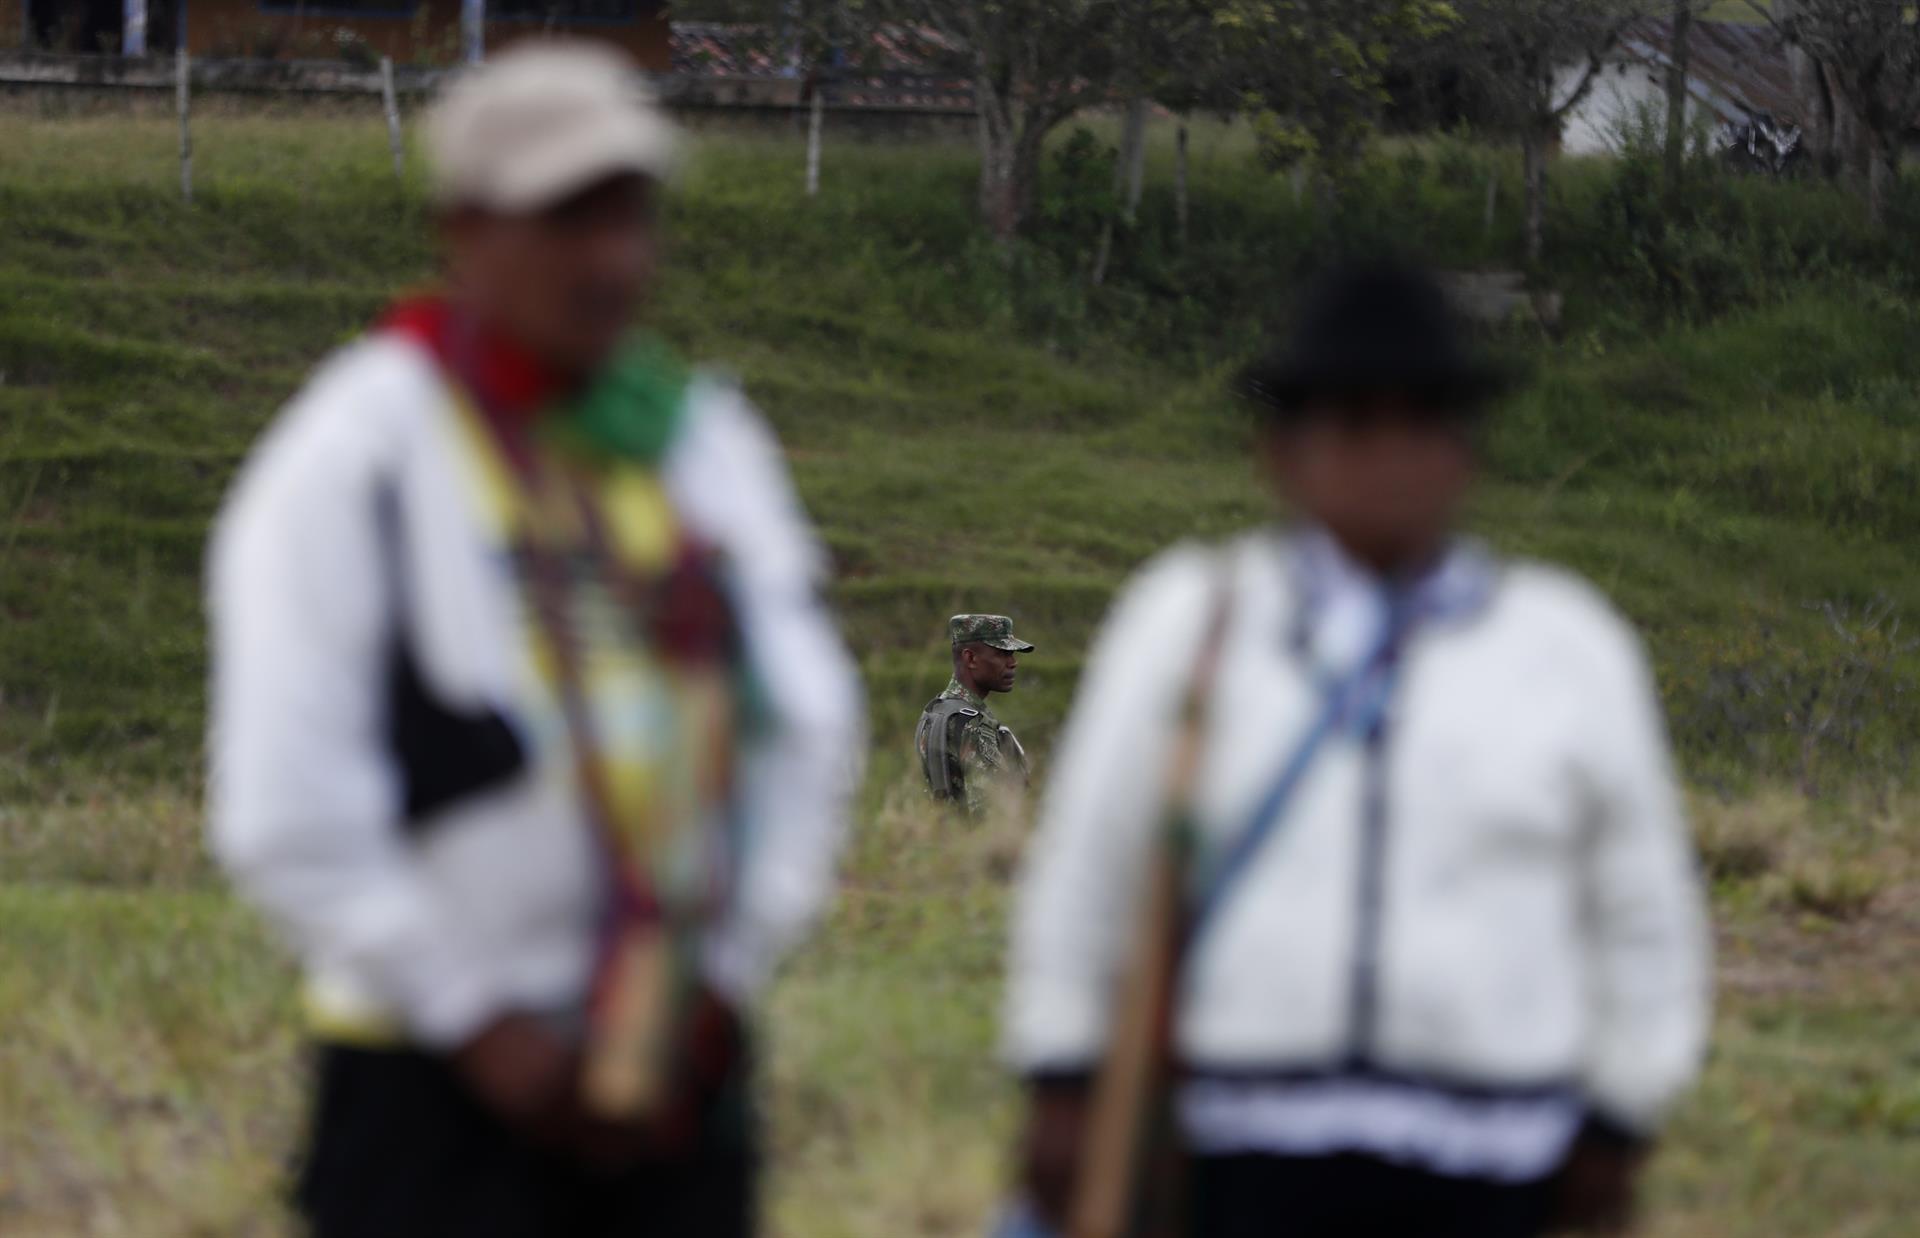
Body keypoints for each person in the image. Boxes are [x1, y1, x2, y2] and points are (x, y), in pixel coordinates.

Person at [206, 42, 863, 1238]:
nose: (611, 258)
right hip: (430, 1073)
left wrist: (718, 978)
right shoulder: (360, 452)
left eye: (630, 216)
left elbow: (808, 726)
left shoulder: (699, 439)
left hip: (674, 1057)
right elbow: (285, 803)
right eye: (568, 217)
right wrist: (478, 1019)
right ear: (464, 227)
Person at [1001, 263, 1711, 1237]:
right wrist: (1061, 1073)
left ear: (1465, 450)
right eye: (1351, 423)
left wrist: (1621, 1115)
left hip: (1495, 1152)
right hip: (1235, 1145)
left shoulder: (1566, 646)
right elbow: (1089, 865)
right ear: (1280, 452)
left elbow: (1643, 909)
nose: (1390, 453)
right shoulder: (1194, 619)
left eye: (1421, 420)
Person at [915, 614, 1035, 817]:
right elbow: (990, 816)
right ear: (970, 658)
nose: (1013, 663)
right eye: (1002, 654)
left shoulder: (935, 710)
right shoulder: (973, 724)